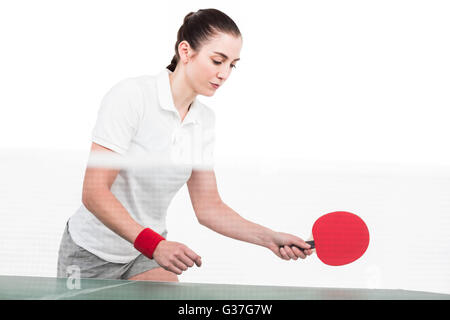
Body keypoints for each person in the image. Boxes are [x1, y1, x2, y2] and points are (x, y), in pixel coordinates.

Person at [57, 8, 312, 282]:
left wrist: (270, 238)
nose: (225, 73)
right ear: (186, 51)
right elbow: (94, 192)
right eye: (217, 60)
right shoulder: (131, 96)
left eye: (232, 64)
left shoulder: (204, 120)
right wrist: (154, 245)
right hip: (92, 253)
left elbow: (209, 207)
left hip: (144, 254)